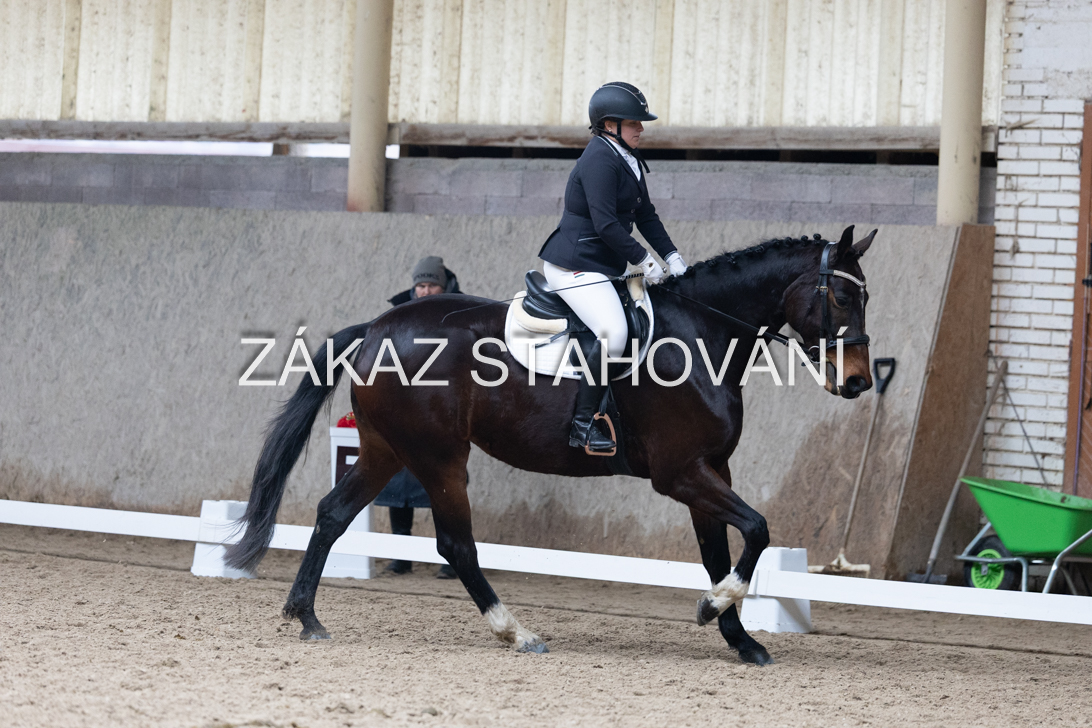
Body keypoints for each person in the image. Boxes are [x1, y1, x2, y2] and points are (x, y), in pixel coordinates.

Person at [538, 81, 687, 453]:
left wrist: (672, 256)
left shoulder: (626, 157)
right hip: (574, 265)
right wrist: (644, 260)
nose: (641, 129)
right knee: (615, 333)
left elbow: (646, 216)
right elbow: (605, 224)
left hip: (603, 265)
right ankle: (583, 425)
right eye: (634, 122)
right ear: (609, 125)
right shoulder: (599, 160)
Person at [342, 256, 461, 578]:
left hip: (443, 413)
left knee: (445, 485)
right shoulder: (398, 313)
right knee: (398, 482)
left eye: (431, 285)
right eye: (421, 285)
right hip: (404, 408)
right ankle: (400, 555)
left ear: (444, 286)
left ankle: (452, 556)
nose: (425, 291)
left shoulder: (460, 313)